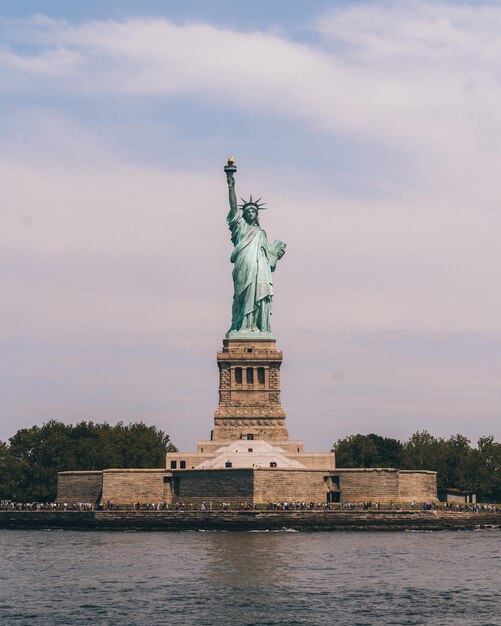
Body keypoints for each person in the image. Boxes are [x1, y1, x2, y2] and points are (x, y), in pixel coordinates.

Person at [225, 163, 285, 333]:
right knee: (241, 295)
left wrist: (276, 255)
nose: (251, 213)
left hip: (259, 269)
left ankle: (253, 326)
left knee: (257, 294)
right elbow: (233, 206)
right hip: (243, 266)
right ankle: (240, 325)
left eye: (254, 211)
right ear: (243, 214)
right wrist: (231, 184)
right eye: (248, 210)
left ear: (257, 215)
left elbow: (269, 258)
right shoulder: (240, 227)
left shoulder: (261, 233)